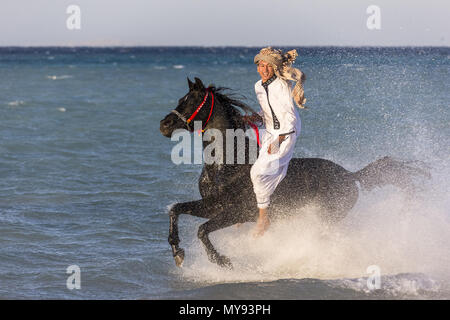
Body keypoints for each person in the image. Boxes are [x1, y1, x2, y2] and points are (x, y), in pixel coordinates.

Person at [250, 47, 306, 237]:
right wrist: (253, 118)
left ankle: (263, 217)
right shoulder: (258, 86)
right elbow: (267, 111)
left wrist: (282, 136)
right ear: (257, 67)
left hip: (284, 134)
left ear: (274, 68)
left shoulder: (282, 85)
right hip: (269, 132)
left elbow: (289, 115)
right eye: (261, 65)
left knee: (258, 172)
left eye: (268, 66)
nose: (264, 69)